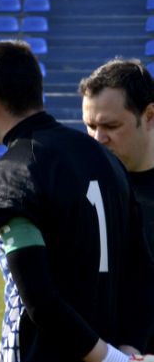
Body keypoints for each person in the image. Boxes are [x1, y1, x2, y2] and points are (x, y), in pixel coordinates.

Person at [0, 40, 154, 362]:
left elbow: (38, 298)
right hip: (116, 347)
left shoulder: (13, 170)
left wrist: (111, 358)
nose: (99, 134)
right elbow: (143, 272)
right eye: (93, 125)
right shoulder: (105, 160)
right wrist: (130, 348)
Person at [80, 58, 154, 353]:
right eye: (90, 126)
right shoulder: (79, 188)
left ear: (149, 116)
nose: (98, 139)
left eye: (110, 126)